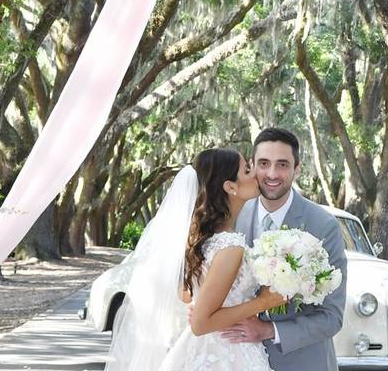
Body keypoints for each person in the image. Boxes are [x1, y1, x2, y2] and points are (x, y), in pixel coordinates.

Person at [104, 148, 284, 371]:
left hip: (204, 350)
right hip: (225, 356)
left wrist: (207, 305)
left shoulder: (203, 239)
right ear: (230, 187)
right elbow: (200, 323)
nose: (255, 173)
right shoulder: (230, 246)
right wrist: (264, 302)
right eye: (247, 170)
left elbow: (187, 295)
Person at [223, 127, 348, 371]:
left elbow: (332, 316)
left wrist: (269, 330)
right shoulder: (233, 216)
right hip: (239, 359)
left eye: (282, 164)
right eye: (264, 163)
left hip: (304, 363)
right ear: (252, 165)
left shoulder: (323, 225)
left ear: (297, 169)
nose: (272, 173)